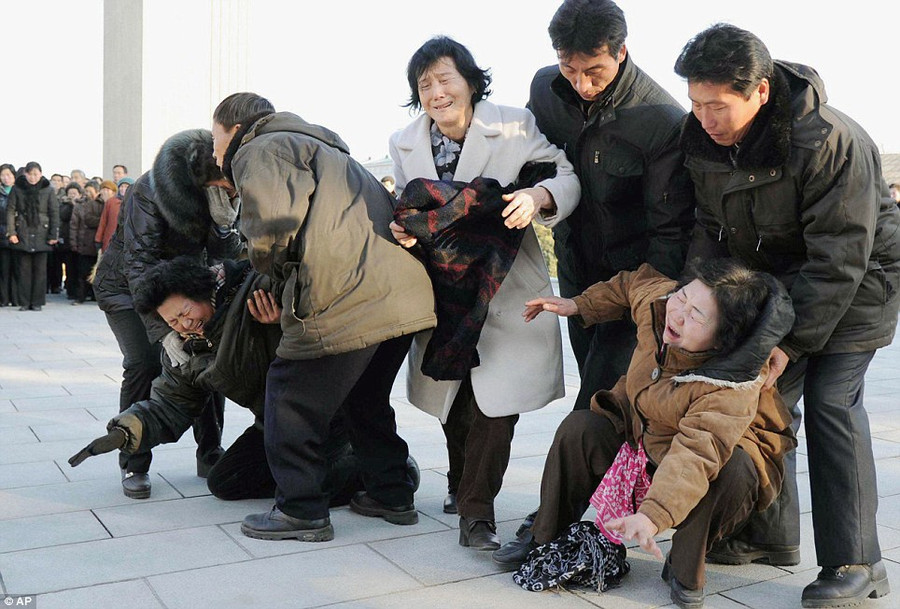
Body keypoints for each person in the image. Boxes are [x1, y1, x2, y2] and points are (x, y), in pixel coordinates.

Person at [674, 23, 899, 608]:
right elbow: (708, 227)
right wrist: (696, 301)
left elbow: (840, 256)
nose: (705, 119)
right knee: (764, 401)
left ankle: (858, 562)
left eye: (718, 106)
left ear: (761, 91)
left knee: (830, 403)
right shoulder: (702, 137)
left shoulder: (828, 141)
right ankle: (767, 538)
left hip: (859, 282)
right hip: (776, 286)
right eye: (696, 104)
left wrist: (788, 343)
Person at [493, 260, 796, 609]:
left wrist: (652, 517)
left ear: (723, 339)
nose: (677, 314)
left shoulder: (732, 385)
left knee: (736, 468)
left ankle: (684, 568)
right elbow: (631, 283)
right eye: (682, 297)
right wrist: (578, 304)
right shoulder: (661, 304)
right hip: (643, 433)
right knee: (579, 430)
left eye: (697, 315)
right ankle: (543, 536)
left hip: (705, 460)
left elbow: (696, 455)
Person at [211, 92, 436, 542]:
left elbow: (271, 229)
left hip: (347, 294)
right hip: (404, 295)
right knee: (366, 399)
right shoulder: (329, 151)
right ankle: (391, 494)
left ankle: (301, 510)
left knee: (288, 398)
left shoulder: (260, 148)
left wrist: (273, 273)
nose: (216, 152)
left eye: (215, 138)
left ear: (234, 129)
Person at [387, 36, 580, 550]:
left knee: (496, 404)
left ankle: (477, 514)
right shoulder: (403, 142)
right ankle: (460, 484)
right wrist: (406, 229)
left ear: (471, 82)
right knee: (455, 399)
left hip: (506, 285)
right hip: (446, 290)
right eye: (424, 85)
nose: (436, 92)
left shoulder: (515, 124)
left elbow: (565, 175)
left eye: (445, 79)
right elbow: (410, 210)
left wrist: (538, 195)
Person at [68, 256, 423, 503]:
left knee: (298, 489)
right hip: (275, 424)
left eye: (185, 312)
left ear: (200, 290)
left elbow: (329, 311)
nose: (184, 325)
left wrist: (286, 322)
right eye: (173, 321)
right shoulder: (184, 347)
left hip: (324, 414)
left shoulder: (256, 289)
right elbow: (171, 402)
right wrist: (127, 430)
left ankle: (383, 469)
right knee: (226, 482)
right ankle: (336, 468)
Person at [527, 0, 696, 412]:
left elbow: (670, 233)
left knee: (598, 406)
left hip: (632, 284)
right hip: (575, 270)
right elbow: (530, 161)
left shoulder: (660, 120)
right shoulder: (545, 90)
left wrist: (650, 306)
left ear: (621, 51)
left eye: (594, 71)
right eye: (569, 69)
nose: (582, 85)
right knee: (597, 387)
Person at [92, 129, 240, 500]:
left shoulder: (220, 193)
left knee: (206, 355)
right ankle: (134, 459)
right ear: (203, 175)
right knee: (144, 362)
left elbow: (225, 257)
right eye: (225, 183)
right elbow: (138, 264)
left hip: (185, 283)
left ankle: (210, 451)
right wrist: (165, 331)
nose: (231, 189)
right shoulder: (149, 190)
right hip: (127, 288)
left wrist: (223, 224)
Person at [5, 161, 59, 311]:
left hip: (42, 231)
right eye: (30, 174)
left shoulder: (48, 189)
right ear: (25, 174)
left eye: (36, 174)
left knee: (40, 271)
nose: (33, 177)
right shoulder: (17, 188)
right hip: (22, 231)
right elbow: (10, 210)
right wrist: (12, 232)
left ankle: (37, 302)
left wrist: (53, 234)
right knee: (23, 271)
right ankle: (24, 302)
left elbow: (54, 212)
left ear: (40, 174)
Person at [69, 180, 106, 304]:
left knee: (97, 272)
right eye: (86, 191)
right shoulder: (80, 205)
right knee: (82, 272)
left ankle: (95, 295)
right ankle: (80, 296)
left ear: (97, 192)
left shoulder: (103, 204)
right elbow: (74, 225)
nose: (87, 194)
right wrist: (73, 242)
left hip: (97, 243)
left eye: (90, 191)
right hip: (83, 243)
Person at [0, 163, 20, 307]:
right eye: (2, 175)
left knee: (17, 269)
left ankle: (16, 298)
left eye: (8, 175)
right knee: (3, 269)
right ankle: (3, 298)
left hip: (18, 235)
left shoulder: (20, 192)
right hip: (1, 234)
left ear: (14, 176)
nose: (6, 178)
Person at [58, 182, 82, 299]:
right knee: (70, 267)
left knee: (79, 267)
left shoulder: (83, 204)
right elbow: (63, 216)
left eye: (74, 193)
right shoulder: (63, 205)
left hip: (81, 239)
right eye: (70, 193)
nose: (72, 195)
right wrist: (71, 205)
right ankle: (70, 291)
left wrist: (76, 205)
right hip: (67, 239)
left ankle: (80, 291)